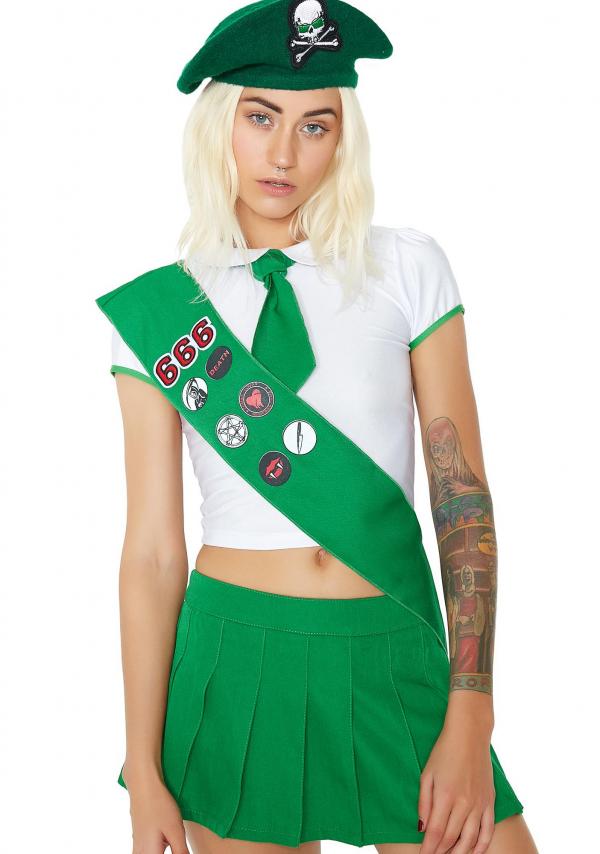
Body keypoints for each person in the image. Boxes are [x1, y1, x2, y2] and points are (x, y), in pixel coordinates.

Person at [96, 2, 539, 853]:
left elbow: (462, 499)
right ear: (219, 124)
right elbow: (151, 553)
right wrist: (143, 772)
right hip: (234, 663)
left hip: (393, 652)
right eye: (261, 118)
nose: (284, 154)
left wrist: (472, 713)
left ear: (343, 141)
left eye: (315, 126)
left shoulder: (405, 266)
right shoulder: (158, 313)